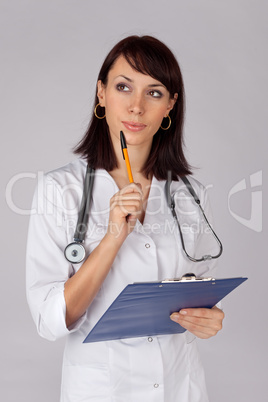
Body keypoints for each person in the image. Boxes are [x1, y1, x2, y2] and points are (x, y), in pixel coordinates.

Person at [26, 35, 224, 401]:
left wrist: (208, 318)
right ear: (101, 93)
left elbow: (200, 285)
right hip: (103, 388)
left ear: (170, 106)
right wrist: (113, 236)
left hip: (179, 385)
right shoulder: (60, 190)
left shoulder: (191, 194)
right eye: (123, 87)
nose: (136, 107)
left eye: (154, 92)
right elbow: (51, 320)